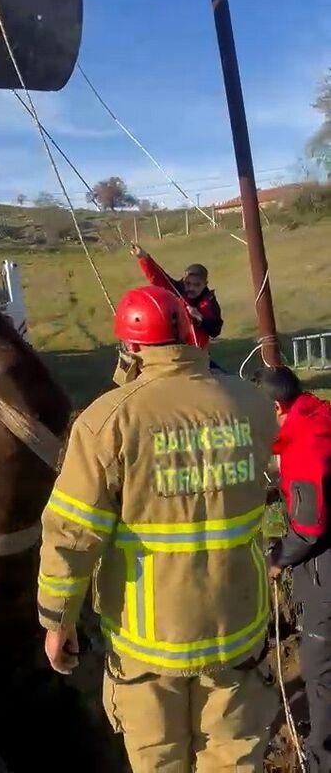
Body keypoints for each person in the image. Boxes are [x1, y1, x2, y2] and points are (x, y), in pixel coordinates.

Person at [37, 284, 279, 773]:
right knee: (234, 759)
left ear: (129, 346)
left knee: (158, 762)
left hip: (147, 644)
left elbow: (72, 533)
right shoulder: (250, 404)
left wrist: (57, 619)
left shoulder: (107, 421)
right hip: (236, 628)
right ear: (190, 332)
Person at [258, 366, 331, 773]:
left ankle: (321, 759)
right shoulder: (318, 416)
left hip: (324, 577)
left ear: (276, 406)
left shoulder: (304, 448)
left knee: (321, 674)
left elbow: (309, 527)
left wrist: (277, 559)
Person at [131, 243, 223, 349]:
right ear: (183, 280)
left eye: (197, 285)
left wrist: (199, 317)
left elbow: (215, 330)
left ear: (205, 284)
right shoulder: (176, 290)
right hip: (176, 350)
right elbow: (158, 277)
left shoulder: (209, 302)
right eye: (188, 284)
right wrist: (144, 257)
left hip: (198, 355)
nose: (191, 288)